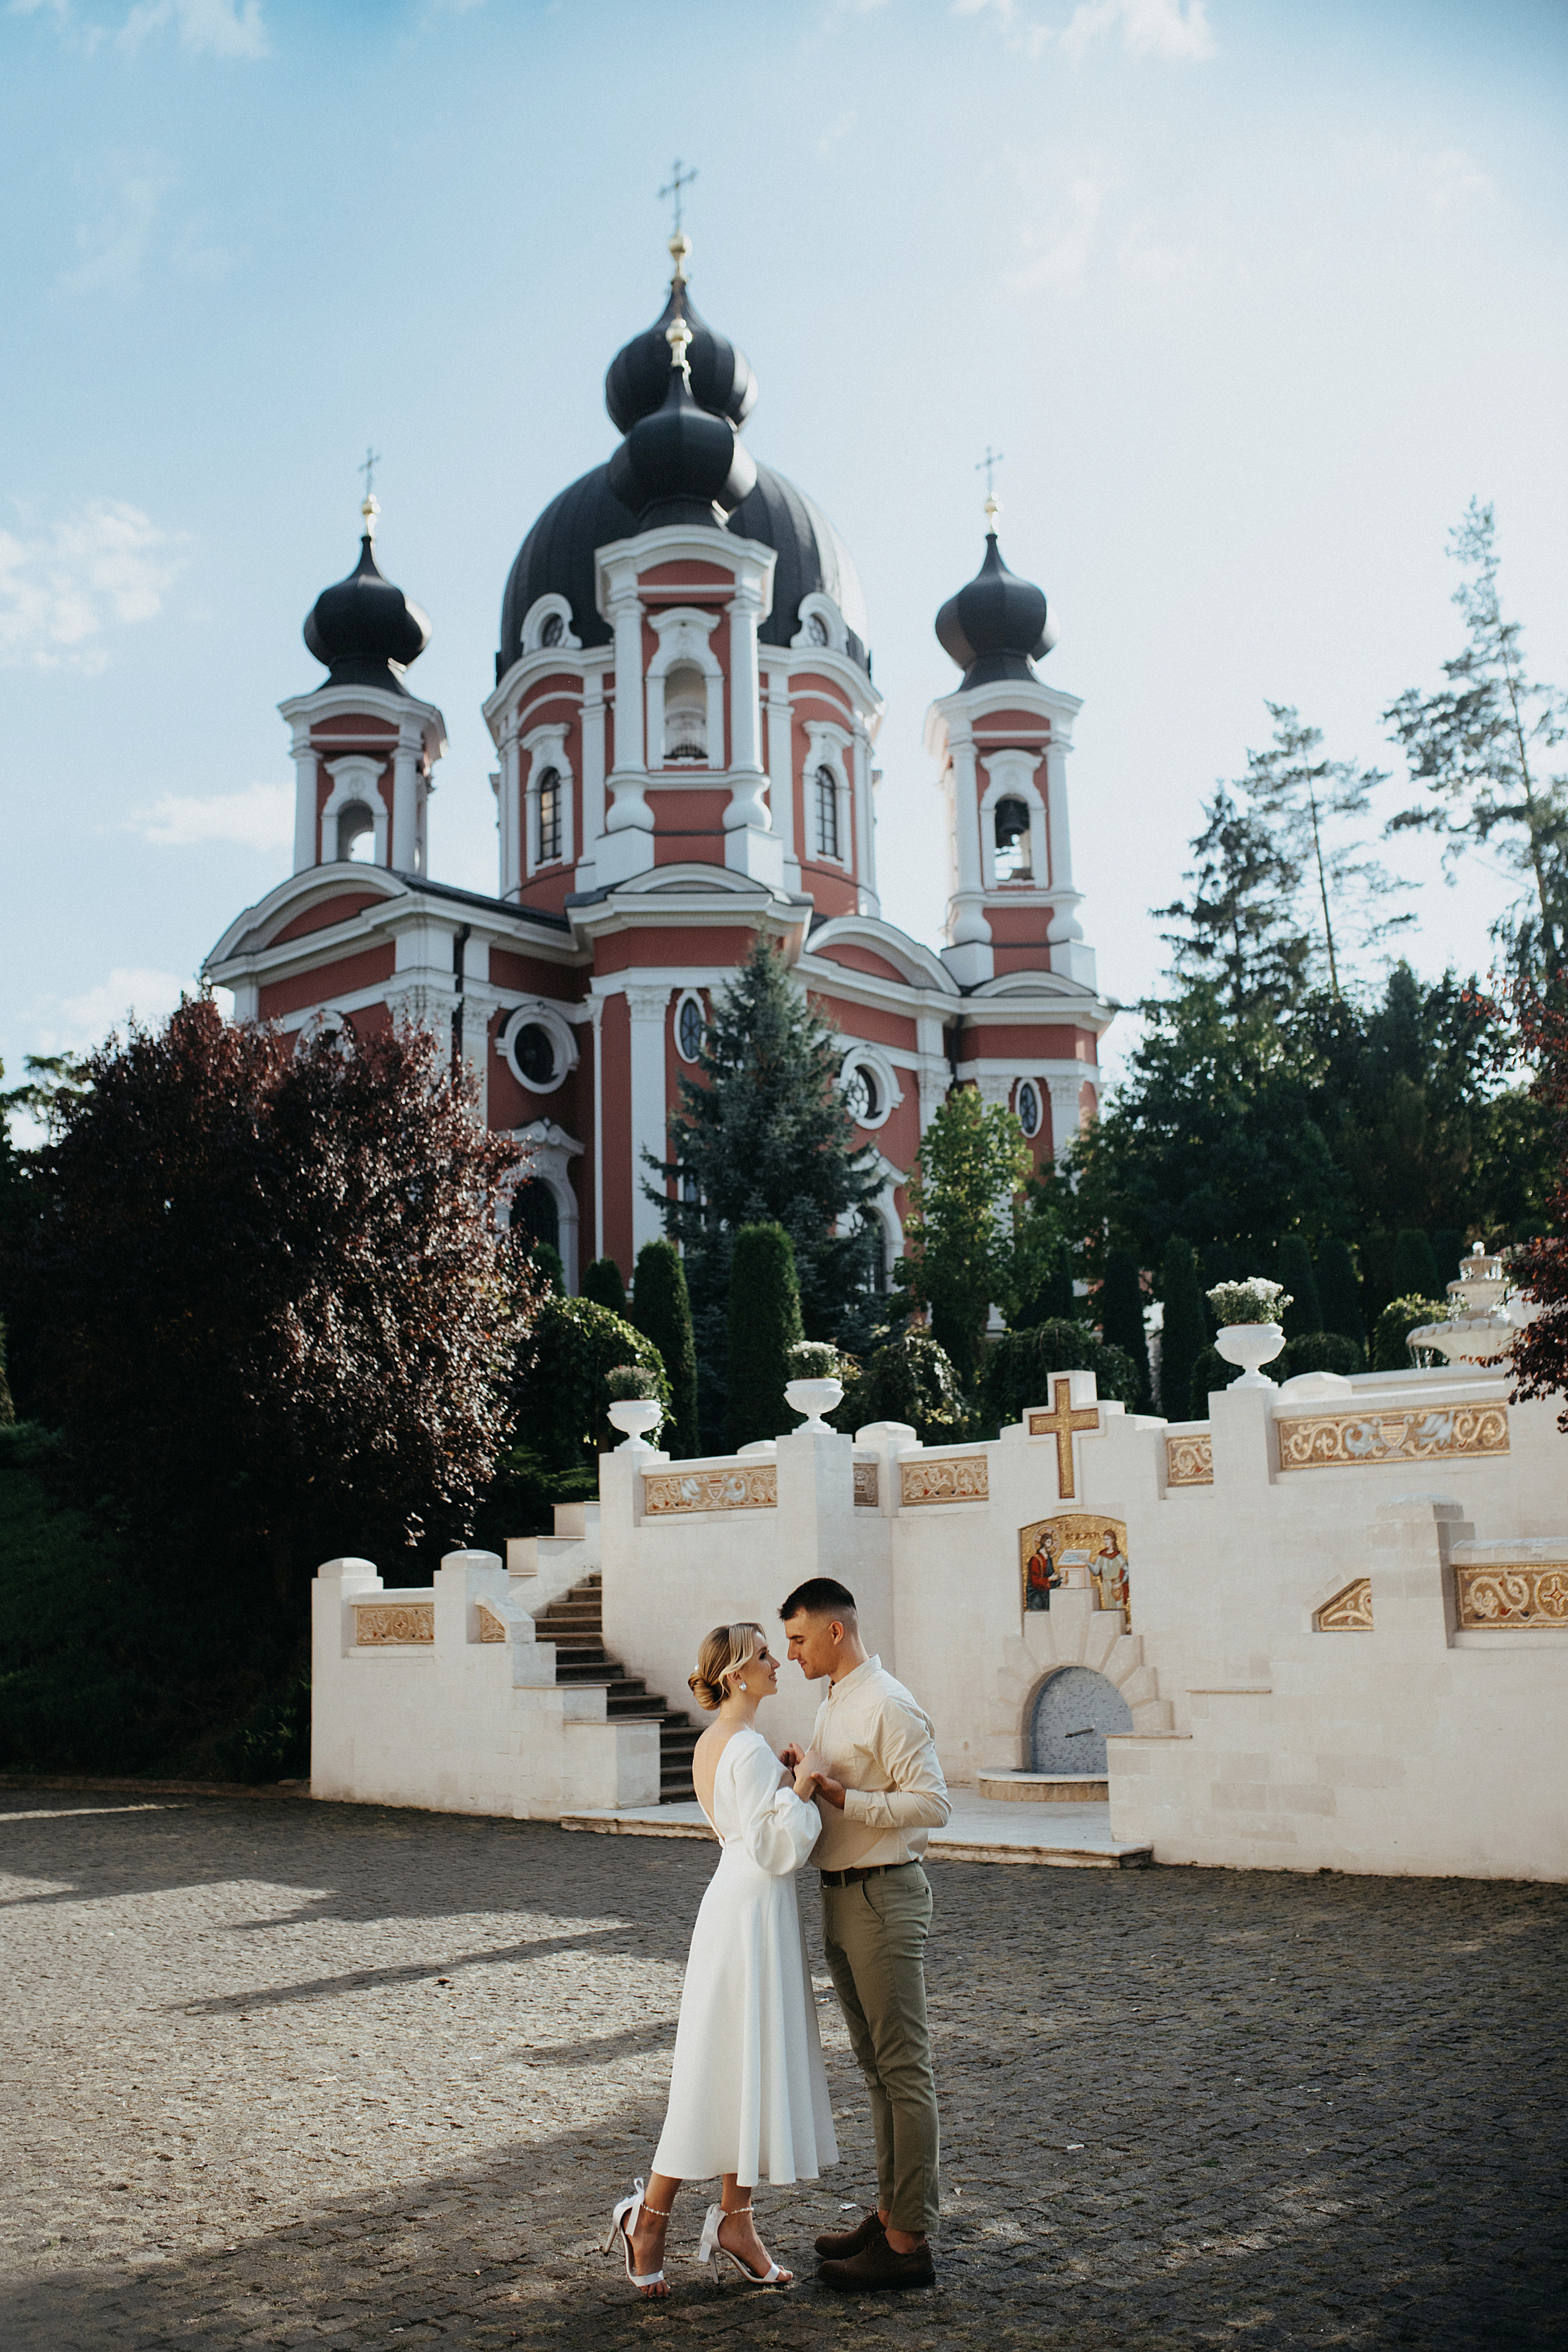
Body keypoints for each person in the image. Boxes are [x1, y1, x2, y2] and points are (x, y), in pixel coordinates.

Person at [604, 1621, 835, 2299]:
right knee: (717, 2071)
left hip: (735, 1906)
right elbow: (775, 1848)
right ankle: (649, 2218)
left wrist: (788, 1782)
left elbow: (748, 1834)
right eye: (765, 1656)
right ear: (736, 1673)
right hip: (750, 1912)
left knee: (740, 2067)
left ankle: (737, 2222)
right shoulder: (749, 1749)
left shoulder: (716, 1742)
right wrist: (805, 1786)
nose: (776, 1664)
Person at [778, 1577, 950, 2293]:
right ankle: (888, 2213)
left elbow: (933, 1804)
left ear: (834, 1632)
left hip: (883, 1897)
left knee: (903, 2070)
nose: (789, 1654)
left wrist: (847, 1796)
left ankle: (909, 2244)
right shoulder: (836, 1699)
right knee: (876, 2070)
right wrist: (806, 1776)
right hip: (843, 1897)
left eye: (796, 1639)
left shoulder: (887, 1703)